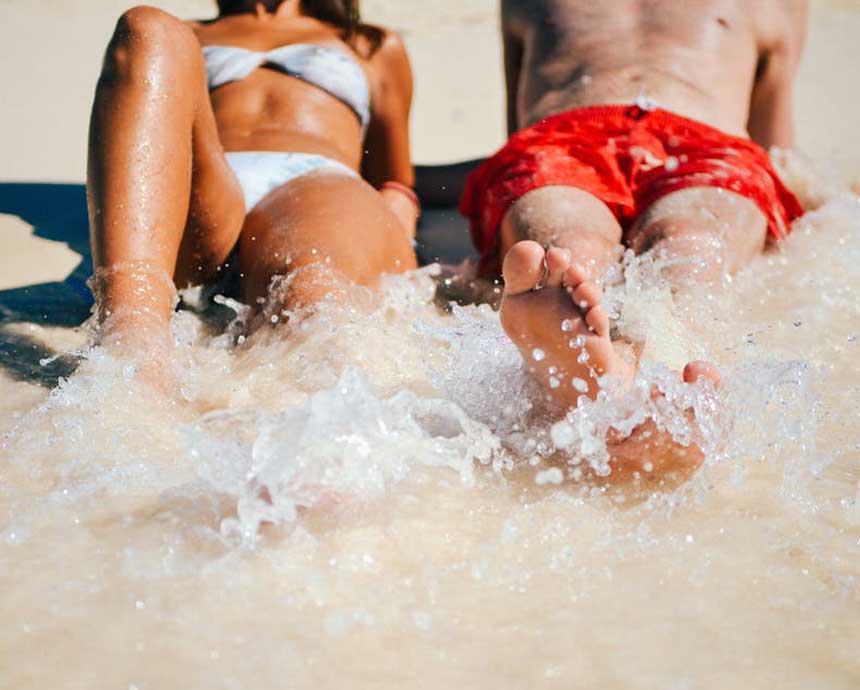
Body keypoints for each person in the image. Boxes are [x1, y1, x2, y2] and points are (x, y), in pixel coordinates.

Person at [420, 1, 808, 481]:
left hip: (706, 146)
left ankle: (621, 378)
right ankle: (647, 389)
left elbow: (778, 157)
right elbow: (517, 130)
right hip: (564, 136)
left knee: (677, 247)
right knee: (577, 249)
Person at [87, 0, 419, 385]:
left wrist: (397, 204)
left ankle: (321, 417)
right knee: (148, 28)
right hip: (207, 182)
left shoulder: (369, 44)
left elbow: (394, 176)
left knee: (313, 297)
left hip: (316, 180)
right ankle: (131, 351)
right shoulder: (193, 32)